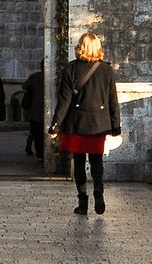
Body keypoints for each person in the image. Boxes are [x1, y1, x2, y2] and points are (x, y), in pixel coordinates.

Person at [50, 32, 122, 215]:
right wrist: (116, 126)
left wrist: (55, 125)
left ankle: (83, 202)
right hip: (99, 123)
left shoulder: (71, 69)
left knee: (79, 162)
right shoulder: (106, 70)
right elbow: (113, 100)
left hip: (77, 123)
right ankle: (99, 192)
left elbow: (64, 101)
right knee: (97, 160)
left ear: (80, 47)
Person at [22, 65, 47, 158]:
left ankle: (39, 153)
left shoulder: (34, 76)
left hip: (35, 108)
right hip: (42, 109)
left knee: (35, 132)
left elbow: (24, 86)